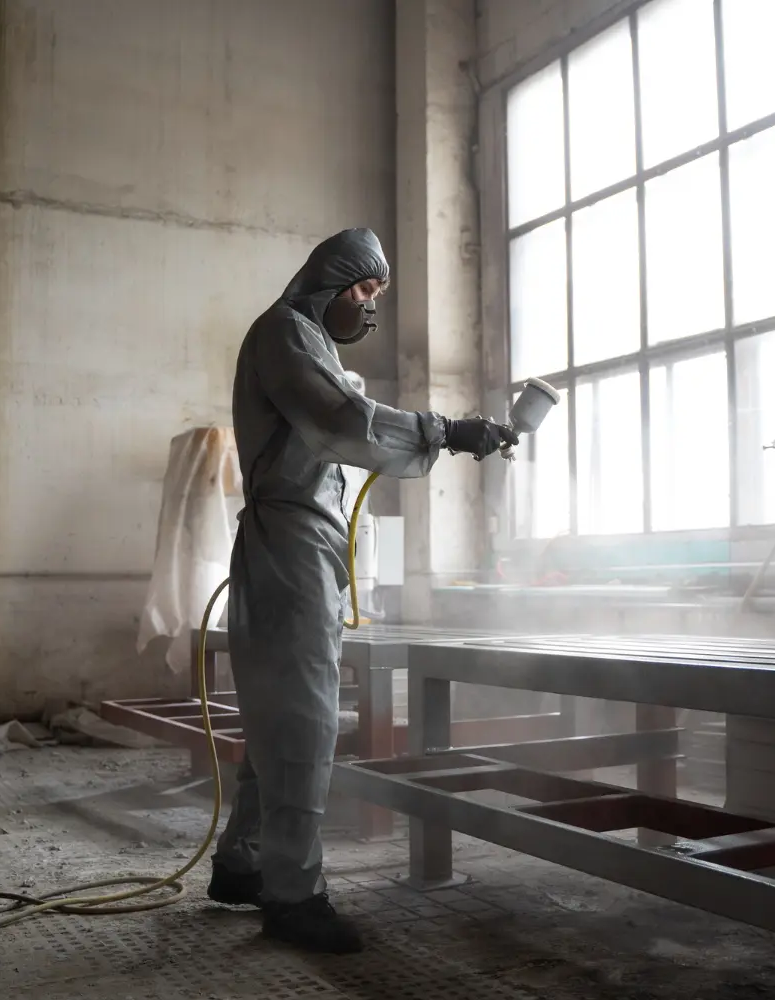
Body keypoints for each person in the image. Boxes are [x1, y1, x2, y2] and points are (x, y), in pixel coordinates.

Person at [207, 228, 516, 953]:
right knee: (305, 719)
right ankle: (294, 896)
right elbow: (345, 424)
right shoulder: (286, 331)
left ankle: (242, 863)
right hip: (290, 543)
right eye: (368, 292)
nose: (371, 308)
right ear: (335, 283)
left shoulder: (307, 342)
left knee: (279, 716)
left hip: (298, 542)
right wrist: (448, 430)